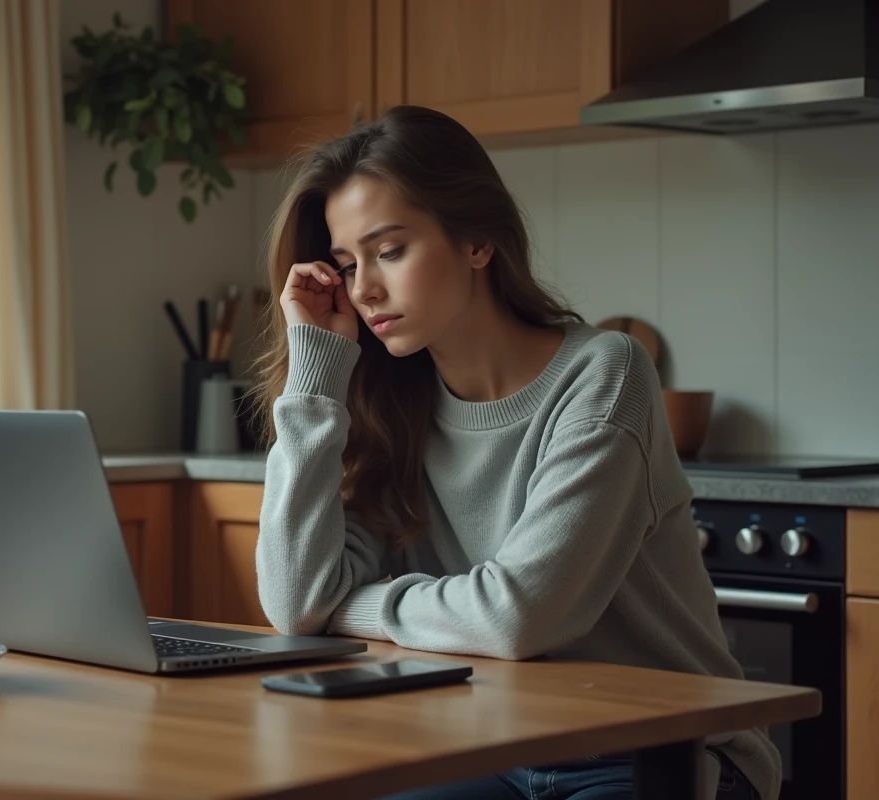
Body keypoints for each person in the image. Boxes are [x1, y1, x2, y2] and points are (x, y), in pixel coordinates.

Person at [249, 104, 779, 800]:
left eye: (390, 250)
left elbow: (517, 616)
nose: (364, 288)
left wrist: (350, 605)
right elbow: (295, 604)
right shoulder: (389, 404)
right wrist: (316, 372)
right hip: (484, 745)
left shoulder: (605, 373)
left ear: (477, 240)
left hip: (659, 751)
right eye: (348, 264)